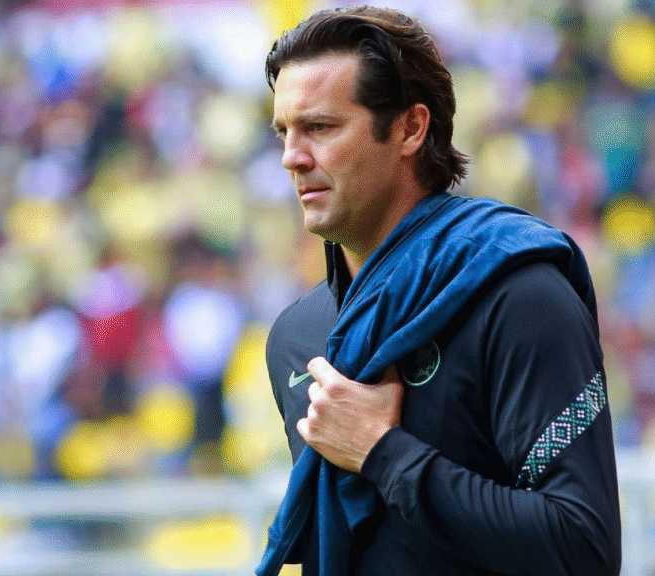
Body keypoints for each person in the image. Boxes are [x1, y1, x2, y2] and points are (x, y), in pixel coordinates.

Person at [259, 6, 621, 576]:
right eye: (284, 132)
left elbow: (584, 549)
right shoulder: (296, 337)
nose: (292, 157)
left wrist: (384, 454)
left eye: (321, 128)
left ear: (410, 128)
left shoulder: (520, 297)